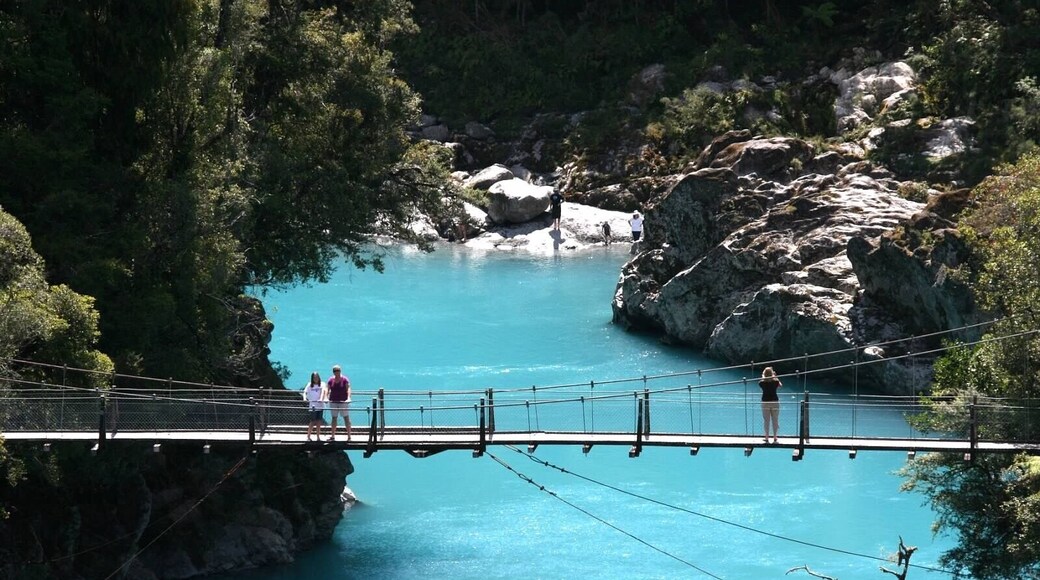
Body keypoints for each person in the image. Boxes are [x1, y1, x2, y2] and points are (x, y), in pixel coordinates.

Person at [326, 364, 351, 441]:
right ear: (333, 372)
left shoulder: (345, 379)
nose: (336, 372)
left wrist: (348, 398)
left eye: (338, 370)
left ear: (340, 371)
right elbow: (327, 389)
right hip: (333, 401)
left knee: (346, 417)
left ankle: (349, 436)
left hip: (343, 401)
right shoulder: (331, 380)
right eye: (335, 371)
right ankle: (333, 436)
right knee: (334, 418)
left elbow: (348, 389)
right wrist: (326, 397)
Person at [759, 367, 782, 444]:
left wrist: (764, 377)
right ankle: (775, 437)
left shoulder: (761, 383)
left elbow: (762, 381)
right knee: (775, 420)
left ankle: (766, 437)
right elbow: (780, 385)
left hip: (765, 402)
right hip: (775, 402)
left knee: (766, 421)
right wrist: (775, 376)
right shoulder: (775, 382)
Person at [302, 371, 326, 441]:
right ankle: (308, 436)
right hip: (313, 406)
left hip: (320, 406)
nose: (316, 379)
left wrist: (321, 399)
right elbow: (305, 392)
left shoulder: (322, 384)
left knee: (319, 422)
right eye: (314, 377)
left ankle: (318, 437)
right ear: (312, 378)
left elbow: (323, 392)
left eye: (317, 377)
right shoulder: (309, 385)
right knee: (312, 421)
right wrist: (304, 398)